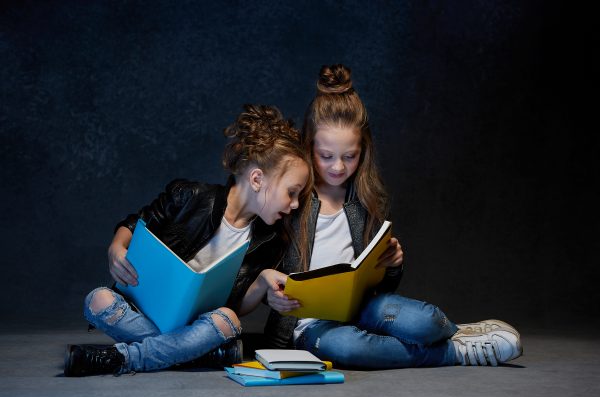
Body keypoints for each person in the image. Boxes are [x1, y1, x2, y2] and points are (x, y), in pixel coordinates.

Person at [258, 64, 523, 369]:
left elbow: (381, 288)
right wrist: (269, 293)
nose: (338, 167)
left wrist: (393, 265)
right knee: (348, 348)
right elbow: (260, 269)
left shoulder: (366, 199)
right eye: (326, 156)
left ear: (363, 150)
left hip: (362, 308)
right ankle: (455, 352)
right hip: (308, 326)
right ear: (309, 147)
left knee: (425, 322)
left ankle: (454, 333)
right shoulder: (290, 200)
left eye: (350, 156)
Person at [64, 104, 311, 376]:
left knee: (228, 319)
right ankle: (196, 354)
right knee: (96, 300)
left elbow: (236, 305)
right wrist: (116, 247)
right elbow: (137, 222)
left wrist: (262, 281)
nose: (296, 204)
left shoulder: (269, 240)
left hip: (200, 325)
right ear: (256, 179)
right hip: (148, 311)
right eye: (292, 192)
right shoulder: (190, 196)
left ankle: (124, 358)